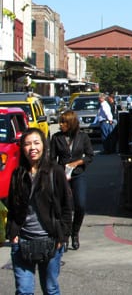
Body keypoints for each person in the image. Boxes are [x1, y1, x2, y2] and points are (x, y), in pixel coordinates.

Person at [6, 128, 74, 295]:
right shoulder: (18, 173)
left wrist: (63, 236)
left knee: (50, 289)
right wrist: (12, 233)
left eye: (36, 143)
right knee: (24, 290)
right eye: (28, 144)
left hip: (51, 241)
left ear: (44, 146)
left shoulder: (55, 171)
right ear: (22, 148)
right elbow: (12, 207)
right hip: (22, 241)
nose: (32, 148)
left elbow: (67, 206)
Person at [50, 109, 94, 250]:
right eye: (60, 121)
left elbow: (89, 155)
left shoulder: (82, 137)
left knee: (80, 205)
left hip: (77, 174)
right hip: (62, 177)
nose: (60, 124)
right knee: (66, 207)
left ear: (71, 123)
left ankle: (75, 233)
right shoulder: (56, 138)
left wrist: (77, 163)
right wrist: (57, 171)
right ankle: (65, 235)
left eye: (64, 122)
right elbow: (52, 159)